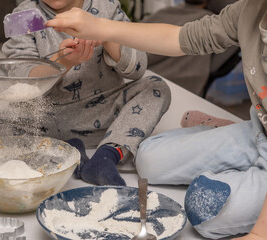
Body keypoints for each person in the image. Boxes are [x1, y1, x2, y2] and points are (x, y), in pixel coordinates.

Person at [45, 0, 267, 239]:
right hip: (258, 131)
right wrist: (100, 27)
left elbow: (135, 68)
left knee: (205, 206)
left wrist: (258, 233)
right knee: (149, 158)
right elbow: (183, 38)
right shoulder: (249, 10)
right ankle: (237, 136)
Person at [0, 0, 171, 186]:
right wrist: (63, 62)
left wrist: (105, 34)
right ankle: (64, 149)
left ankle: (106, 156)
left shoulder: (107, 6)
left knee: (156, 87)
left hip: (103, 115)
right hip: (42, 119)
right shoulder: (24, 15)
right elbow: (22, 81)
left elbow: (138, 69)